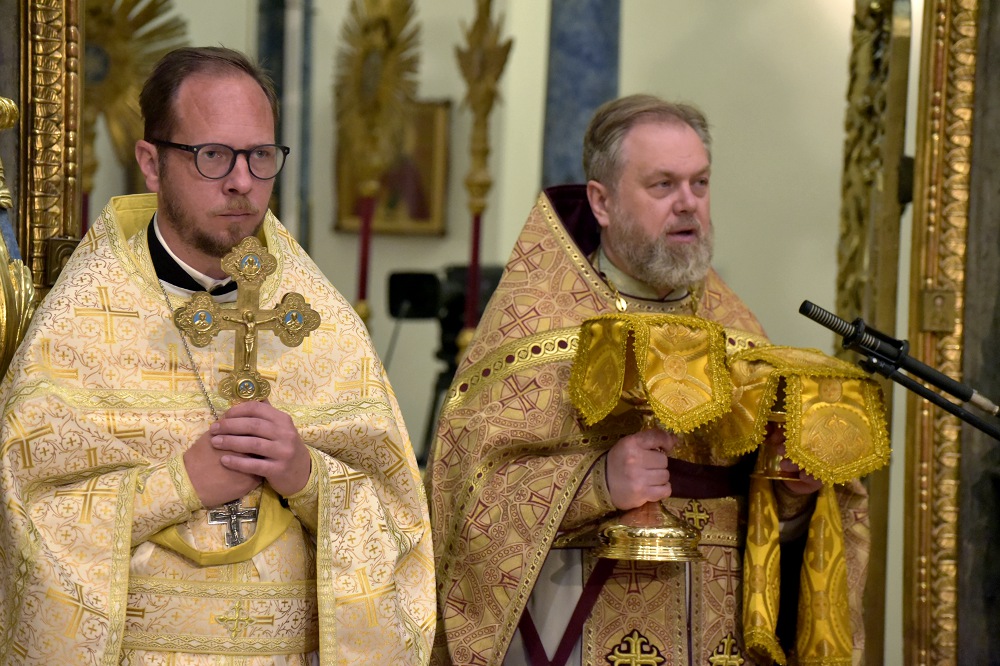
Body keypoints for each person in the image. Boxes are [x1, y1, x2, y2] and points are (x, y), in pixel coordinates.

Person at [0, 47, 434, 664]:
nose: (242, 181)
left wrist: (308, 478)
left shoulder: (321, 324)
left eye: (261, 156)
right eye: (213, 155)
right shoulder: (80, 325)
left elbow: (398, 515)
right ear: (151, 163)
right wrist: (177, 485)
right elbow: (25, 518)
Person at [427, 95, 872, 665]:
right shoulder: (535, 329)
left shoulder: (739, 334)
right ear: (602, 201)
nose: (688, 204)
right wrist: (597, 483)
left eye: (700, 183)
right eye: (663, 185)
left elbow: (773, 537)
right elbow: (464, 497)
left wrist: (791, 494)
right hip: (578, 635)